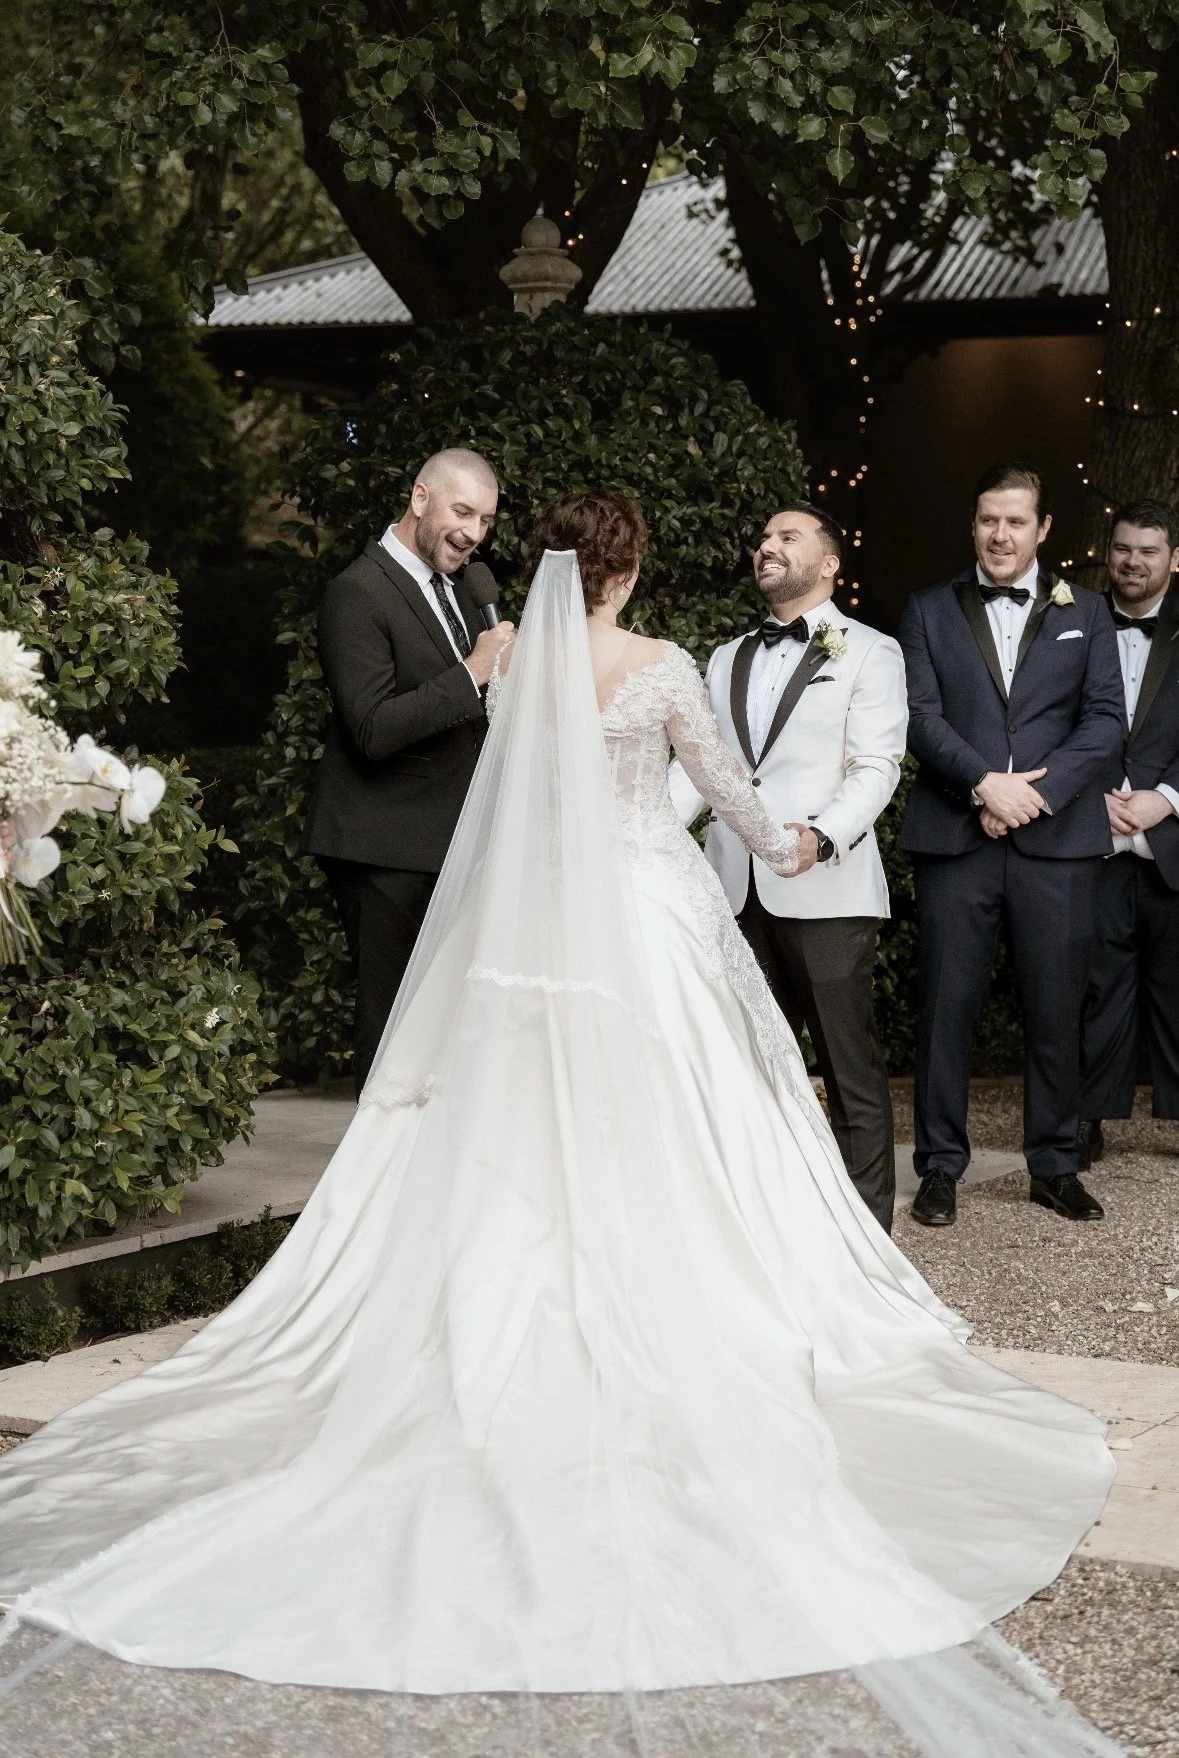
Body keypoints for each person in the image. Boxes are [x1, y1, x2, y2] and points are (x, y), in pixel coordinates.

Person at [0, 494, 1117, 1758]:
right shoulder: (664, 666)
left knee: (517, 1121)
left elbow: (499, 800)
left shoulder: (512, 662)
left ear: (547, 568)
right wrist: (790, 844)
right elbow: (724, 789)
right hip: (641, 916)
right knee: (678, 1119)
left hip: (528, 926)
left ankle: (506, 1298)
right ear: (629, 571)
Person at [669, 502, 907, 1233]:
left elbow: (876, 765)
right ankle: (763, 1226)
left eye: (786, 537)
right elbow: (702, 773)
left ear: (829, 563)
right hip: (731, 891)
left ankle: (866, 1237)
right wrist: (642, 831)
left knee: (847, 1069)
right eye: (764, 538)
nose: (765, 546)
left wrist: (822, 837)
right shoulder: (723, 656)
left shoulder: (870, 651)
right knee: (739, 1068)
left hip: (827, 890)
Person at [898, 462, 1124, 1228]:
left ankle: (1054, 1165)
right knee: (945, 1008)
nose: (1000, 534)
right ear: (973, 525)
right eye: (988, 520)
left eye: (1015, 521)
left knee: (1058, 1006)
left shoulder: (1087, 612)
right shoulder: (927, 609)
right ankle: (938, 1169)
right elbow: (920, 717)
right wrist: (982, 785)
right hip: (956, 836)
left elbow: (1103, 721)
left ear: (1043, 529)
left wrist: (1031, 793)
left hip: (1056, 839)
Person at [302, 447, 514, 1091]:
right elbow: (372, 729)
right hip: (386, 850)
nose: (473, 534)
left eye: (485, 520)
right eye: (461, 512)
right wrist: (475, 673)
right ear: (420, 498)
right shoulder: (357, 592)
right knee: (394, 1033)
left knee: (446, 1032)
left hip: (452, 844)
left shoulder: (459, 591)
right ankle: (379, 1179)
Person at [1079, 499, 1179, 1165]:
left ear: (1173, 559)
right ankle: (1085, 1119)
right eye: (1122, 548)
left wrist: (1166, 799)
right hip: (1090, 840)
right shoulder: (1073, 622)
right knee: (1092, 988)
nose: (1132, 561)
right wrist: (1093, 801)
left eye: (1147, 550)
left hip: (1172, 839)